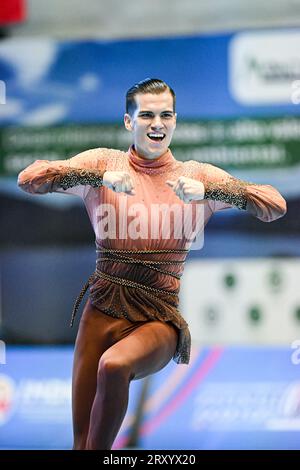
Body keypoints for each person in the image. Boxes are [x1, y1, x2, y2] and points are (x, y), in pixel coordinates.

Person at [17, 78, 287, 450]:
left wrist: (212, 192)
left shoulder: (197, 176)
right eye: (146, 114)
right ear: (129, 121)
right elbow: (29, 180)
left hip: (157, 319)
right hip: (101, 311)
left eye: (166, 115)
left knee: (113, 367)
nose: (157, 123)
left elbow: (275, 205)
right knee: (81, 442)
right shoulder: (103, 163)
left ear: (175, 120)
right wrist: (97, 176)